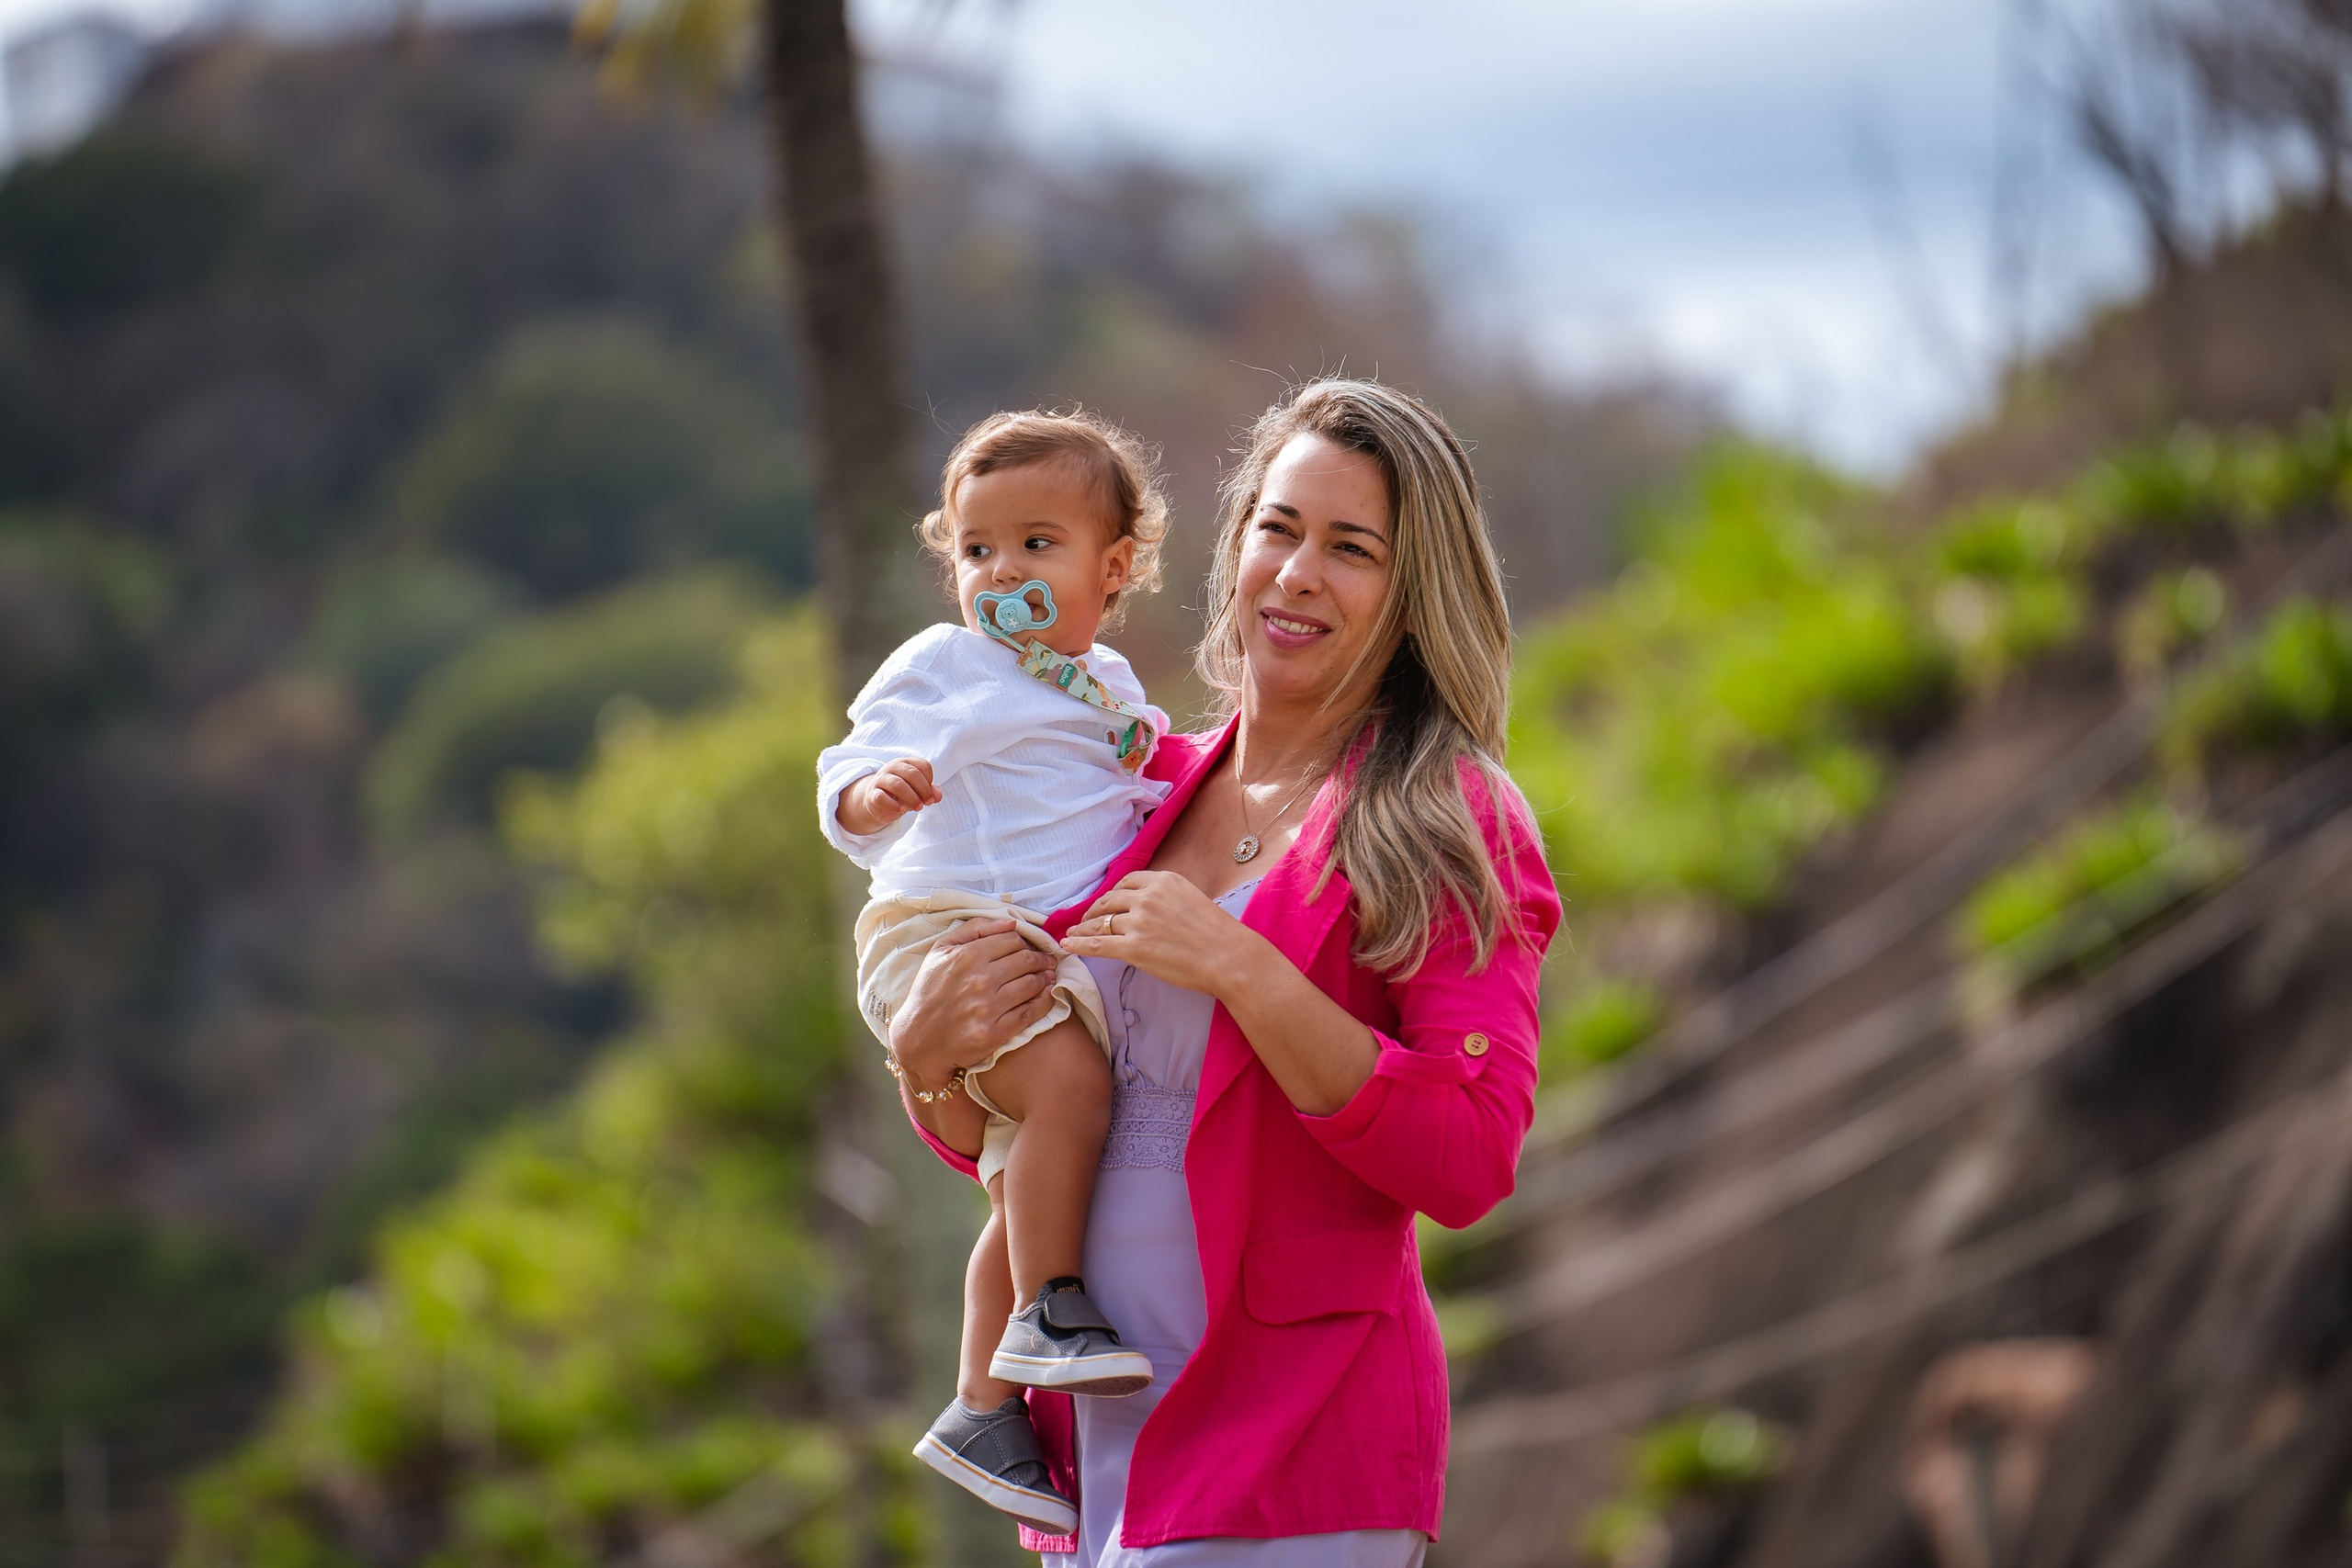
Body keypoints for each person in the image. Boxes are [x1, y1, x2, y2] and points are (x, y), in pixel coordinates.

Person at [885, 378, 1563, 1566]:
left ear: (1413, 597)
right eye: (1279, 527)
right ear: (1235, 540)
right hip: (1091, 1446)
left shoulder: (1449, 819)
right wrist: (925, 1052)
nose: (1299, 574)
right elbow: (1013, 1119)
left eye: (1352, 549)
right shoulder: (1127, 791)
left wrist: (1248, 970)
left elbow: (1469, 1153)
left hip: (1293, 1453)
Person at [815, 410, 1177, 1533]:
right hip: (946, 931)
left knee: (1028, 1176)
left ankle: (983, 1406)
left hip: (1032, 943)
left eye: (1036, 545)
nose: (1000, 573)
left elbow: (1145, 785)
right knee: (1071, 1092)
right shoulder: (948, 663)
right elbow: (850, 764)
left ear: (1113, 568)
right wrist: (878, 794)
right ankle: (1053, 1309)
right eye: (976, 551)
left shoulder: (1107, 685)